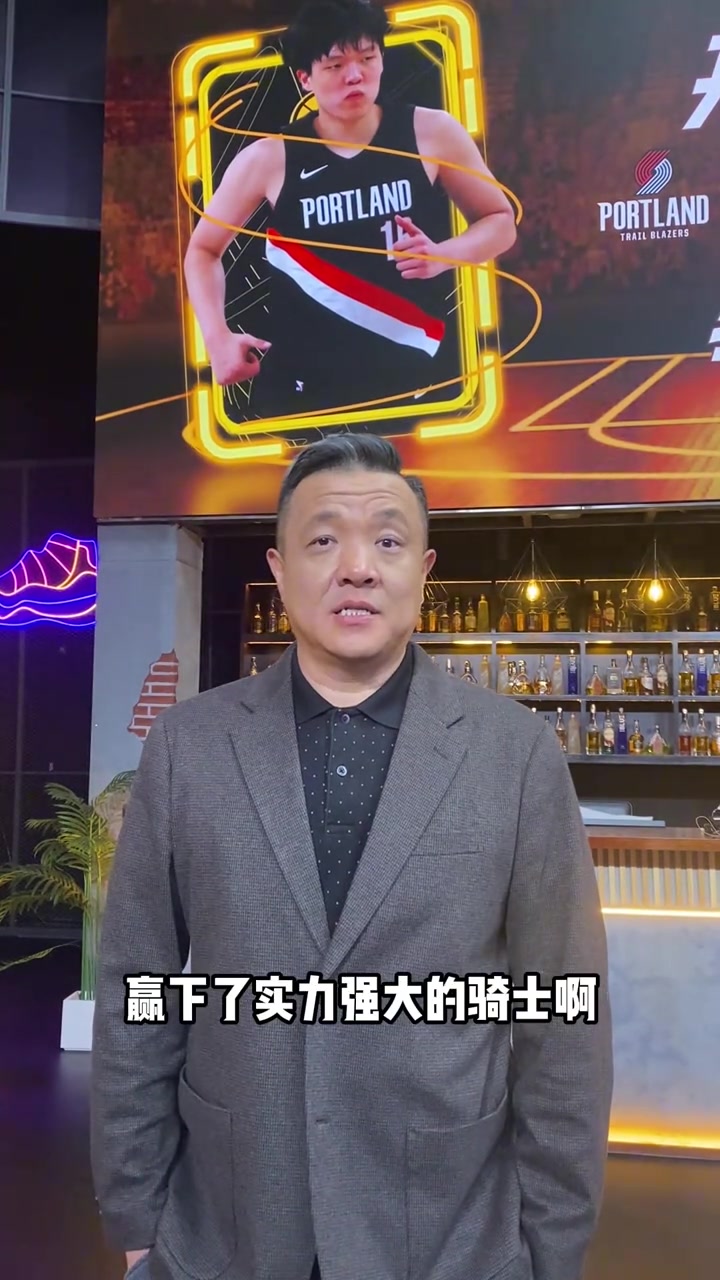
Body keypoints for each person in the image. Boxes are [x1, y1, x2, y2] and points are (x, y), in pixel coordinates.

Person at [90, 431, 613, 1280]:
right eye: (324, 539)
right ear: (279, 568)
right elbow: (135, 988)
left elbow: (563, 1018)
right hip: (226, 1226)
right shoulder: (190, 746)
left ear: (424, 570)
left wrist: (552, 1247)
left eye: (388, 541)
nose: (358, 567)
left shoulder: (514, 754)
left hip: (451, 1234)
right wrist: (137, 1216)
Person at [183, 0, 516, 425]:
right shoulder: (269, 158)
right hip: (303, 391)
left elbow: (499, 220)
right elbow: (203, 251)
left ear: (382, 59)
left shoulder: (431, 131)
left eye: (367, 58)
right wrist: (217, 339)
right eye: (335, 65)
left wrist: (444, 254)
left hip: (412, 382)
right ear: (305, 78)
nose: (355, 75)